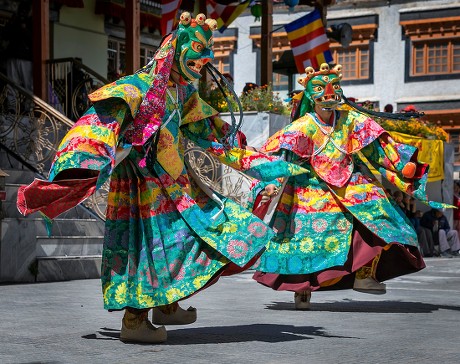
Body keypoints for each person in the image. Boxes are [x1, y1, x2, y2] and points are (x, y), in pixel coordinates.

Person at [16, 13, 304, 343]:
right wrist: (89, 164)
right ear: (176, 48)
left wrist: (266, 165)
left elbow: (215, 138)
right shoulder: (136, 88)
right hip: (140, 189)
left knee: (188, 241)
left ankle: (166, 305)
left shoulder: (183, 94)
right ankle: (133, 321)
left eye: (209, 50)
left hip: (177, 185)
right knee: (147, 249)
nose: (206, 58)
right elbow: (95, 128)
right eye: (198, 48)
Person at [249, 63, 446, 310]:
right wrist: (270, 183)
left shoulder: (351, 120)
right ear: (310, 94)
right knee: (304, 235)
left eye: (334, 86)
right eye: (320, 88)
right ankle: (301, 288)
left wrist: (400, 162)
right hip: (311, 185)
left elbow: (376, 145)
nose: (329, 92)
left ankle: (365, 274)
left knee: (376, 207)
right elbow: (281, 157)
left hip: (349, 179)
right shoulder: (303, 126)